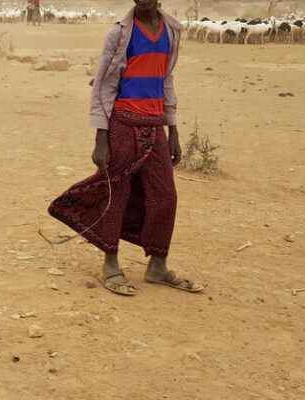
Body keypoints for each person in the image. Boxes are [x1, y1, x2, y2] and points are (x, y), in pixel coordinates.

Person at [48, 0, 204, 296]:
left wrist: (173, 130)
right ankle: (111, 265)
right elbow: (104, 86)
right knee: (116, 193)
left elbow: (165, 80)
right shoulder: (119, 33)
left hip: (155, 124)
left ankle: (158, 266)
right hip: (123, 123)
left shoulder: (171, 30)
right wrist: (100, 138)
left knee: (165, 196)